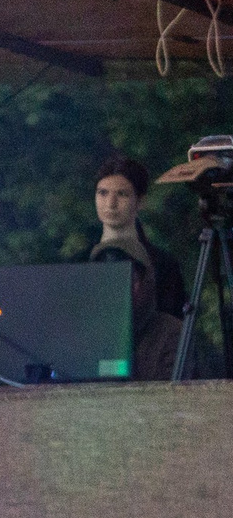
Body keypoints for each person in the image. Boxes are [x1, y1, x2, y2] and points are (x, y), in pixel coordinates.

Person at [89, 155, 188, 381]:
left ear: (140, 201)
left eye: (122, 194)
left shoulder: (164, 265)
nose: (110, 203)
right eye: (102, 193)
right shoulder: (80, 262)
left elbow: (173, 330)